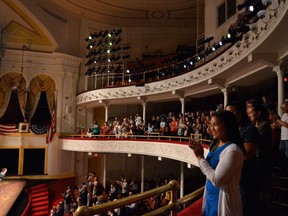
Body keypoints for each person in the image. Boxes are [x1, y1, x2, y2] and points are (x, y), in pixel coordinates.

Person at [189, 110, 244, 216]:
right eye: (210, 125)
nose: (211, 129)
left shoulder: (233, 150)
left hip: (222, 203)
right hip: (210, 199)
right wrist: (198, 154)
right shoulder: (215, 145)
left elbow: (216, 180)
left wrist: (200, 157)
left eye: (216, 125)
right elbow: (207, 171)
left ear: (227, 125)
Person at [226, 103, 260, 216]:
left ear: (240, 114)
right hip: (235, 179)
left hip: (247, 178)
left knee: (246, 209)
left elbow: (247, 155)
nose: (229, 116)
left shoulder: (250, 129)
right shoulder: (231, 132)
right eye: (227, 113)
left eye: (232, 112)